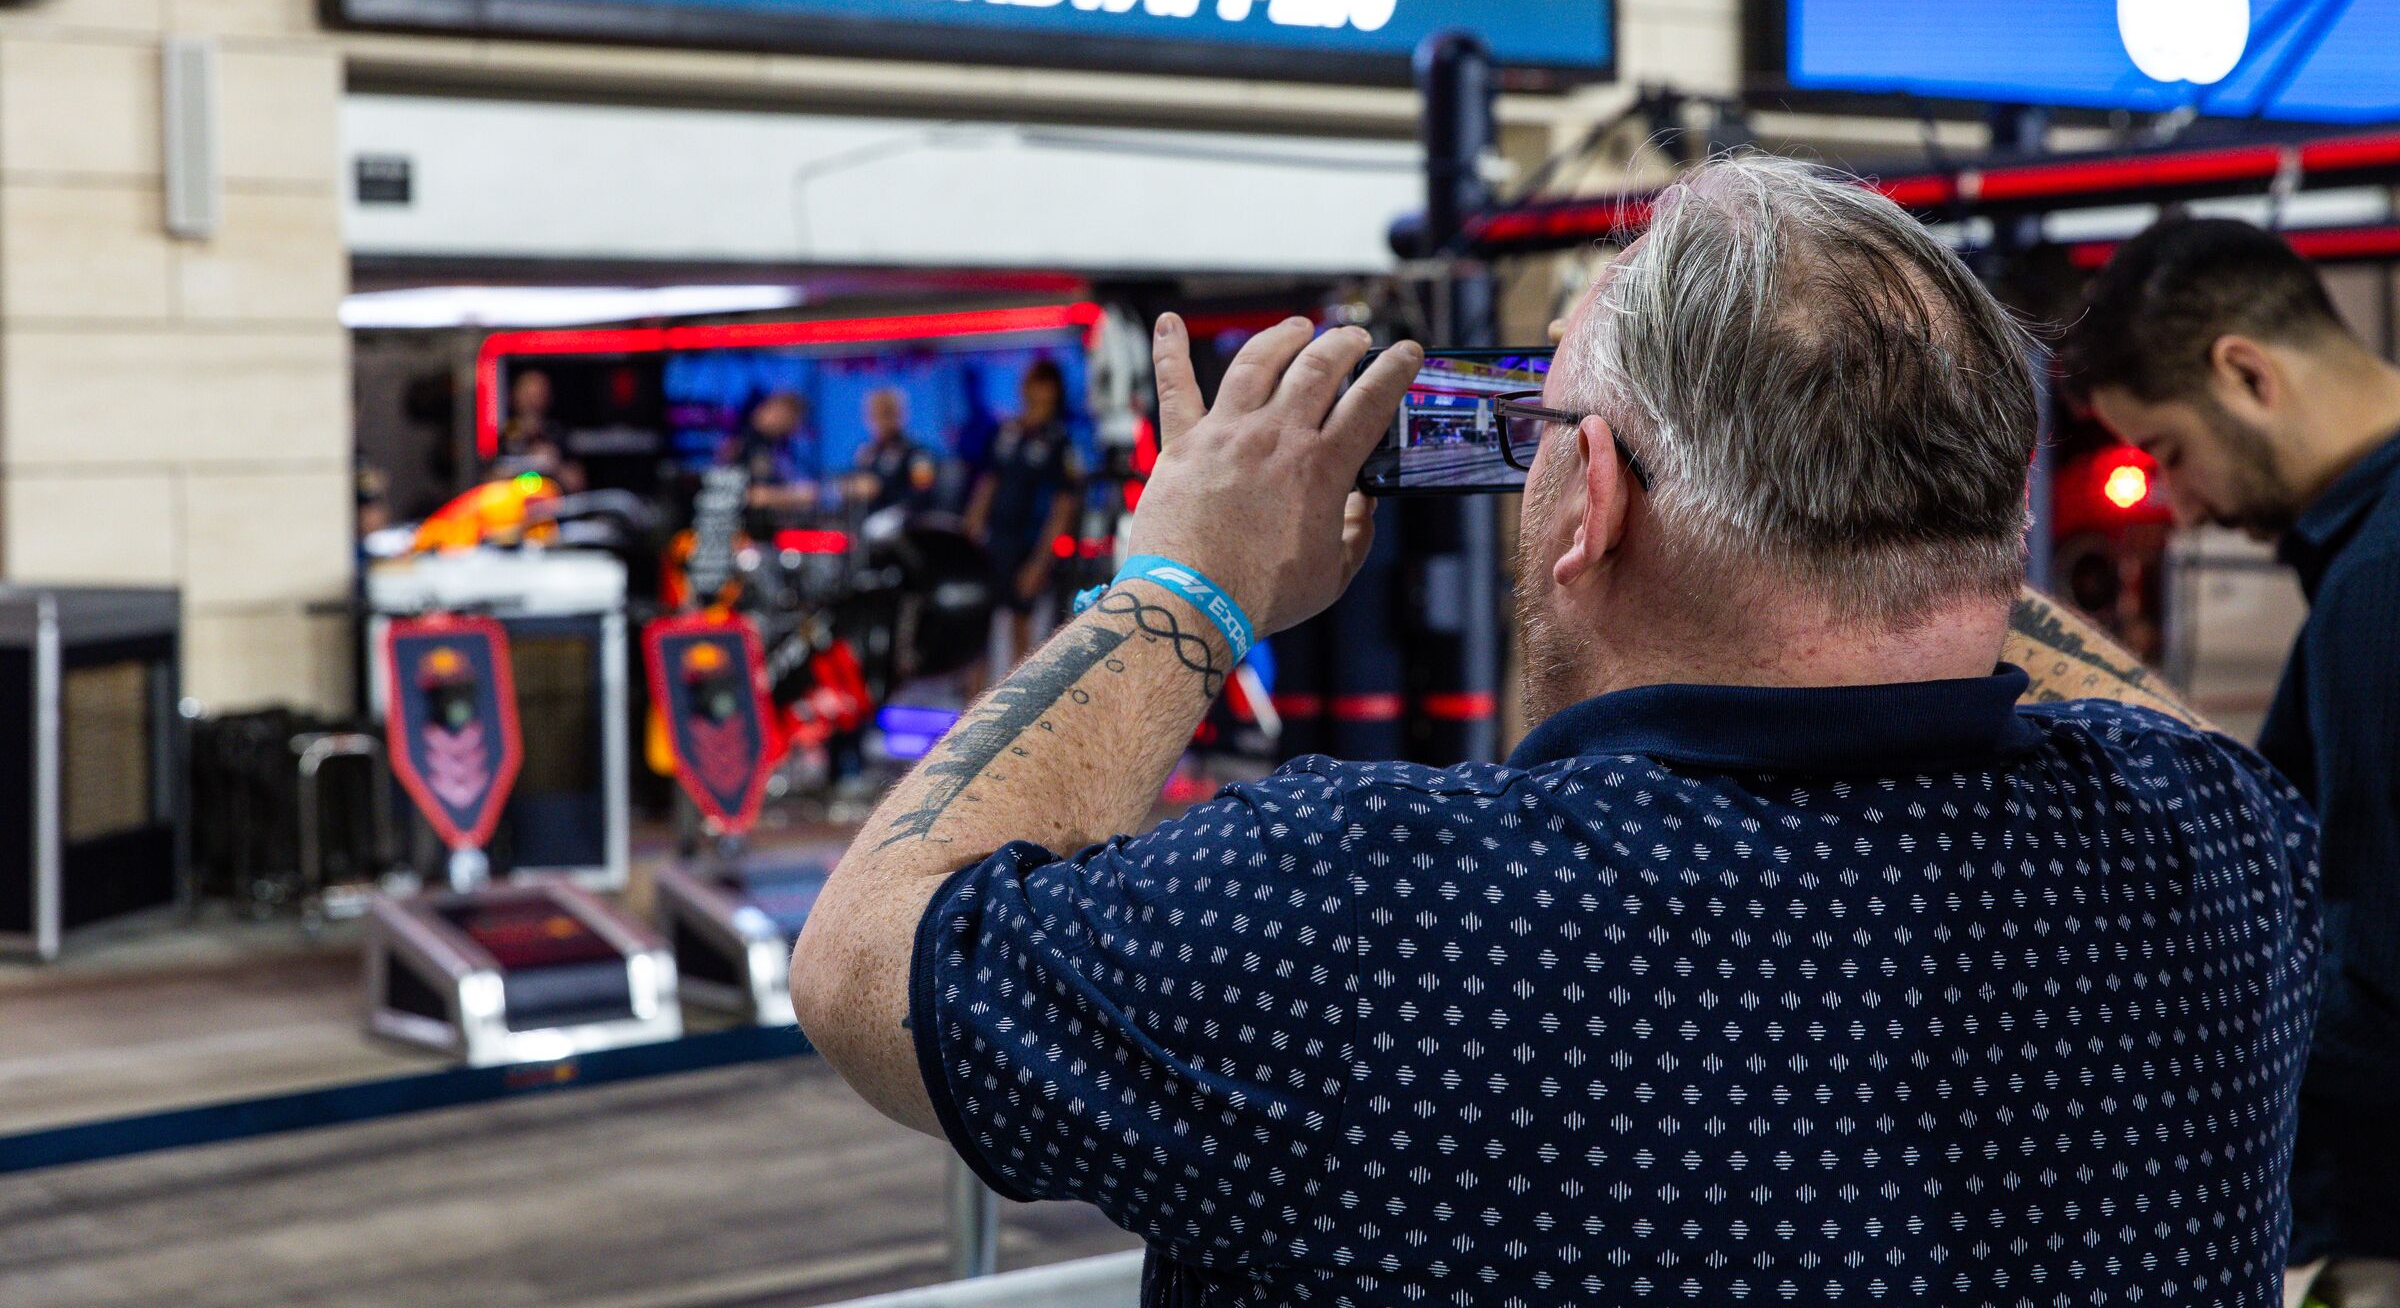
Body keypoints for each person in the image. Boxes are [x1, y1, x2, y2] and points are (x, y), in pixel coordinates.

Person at [794, 157, 2319, 1307]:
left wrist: (1189, 586)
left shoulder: (1364, 911)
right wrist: (1920, 502)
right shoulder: (2214, 847)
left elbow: (870, 962)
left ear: (1586, 502)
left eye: (1546, 438)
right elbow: (2153, 727)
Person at [2064, 216, 2400, 1308]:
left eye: (2166, 452)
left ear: (2245, 372)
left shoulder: (2380, 585)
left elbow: (2377, 971)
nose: (2182, 503)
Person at [963, 359, 1085, 664]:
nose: (1036, 391)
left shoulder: (1059, 442)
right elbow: (988, 483)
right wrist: (969, 533)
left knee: (1024, 632)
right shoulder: (1006, 433)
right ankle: (973, 706)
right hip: (994, 545)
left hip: (1030, 547)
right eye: (1032, 383)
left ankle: (1021, 707)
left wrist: (1040, 564)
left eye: (1044, 384)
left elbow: (1063, 507)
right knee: (978, 630)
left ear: (1055, 391)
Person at [721, 389, 817, 521]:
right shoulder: (742, 441)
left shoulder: (779, 448)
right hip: (739, 525)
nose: (792, 426)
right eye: (784, 415)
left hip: (766, 524)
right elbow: (746, 495)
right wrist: (793, 496)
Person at [846, 387, 939, 516]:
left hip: (905, 520)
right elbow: (854, 484)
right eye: (874, 414)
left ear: (901, 414)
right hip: (867, 518)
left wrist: (881, 489)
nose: (881, 421)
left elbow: (923, 493)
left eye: (887, 413)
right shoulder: (867, 453)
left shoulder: (918, 454)